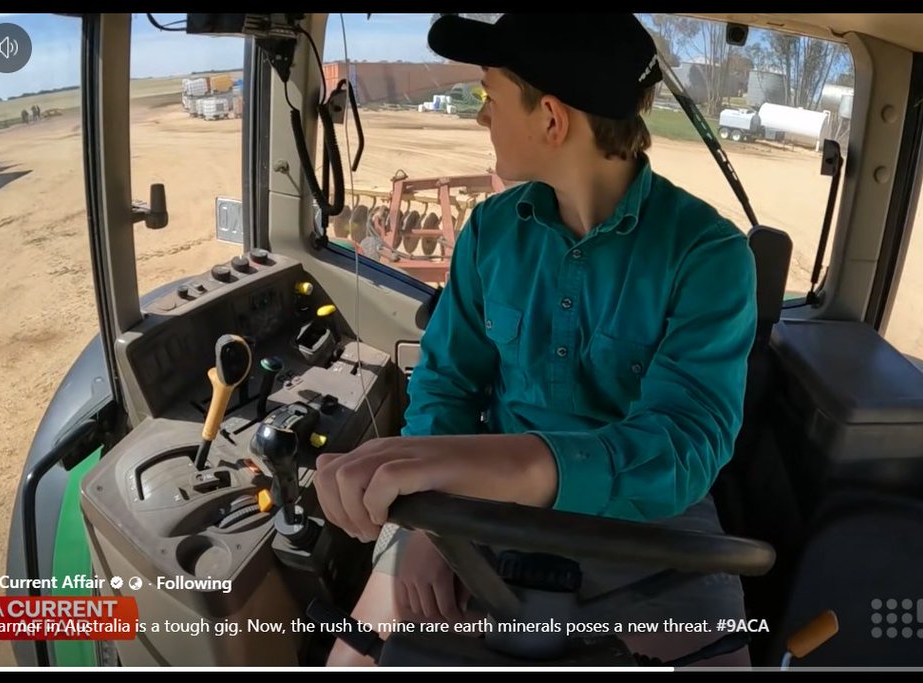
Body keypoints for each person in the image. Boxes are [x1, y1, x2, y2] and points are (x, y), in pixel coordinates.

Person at [314, 13, 757, 667]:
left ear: (551, 119)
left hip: (651, 522)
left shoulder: (709, 254)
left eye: (489, 97)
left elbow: (683, 443)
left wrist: (514, 467)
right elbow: (447, 383)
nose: (480, 118)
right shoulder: (490, 232)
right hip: (475, 504)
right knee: (350, 660)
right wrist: (430, 519)